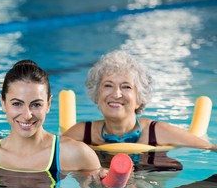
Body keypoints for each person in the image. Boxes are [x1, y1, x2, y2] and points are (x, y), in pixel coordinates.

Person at [63, 50, 215, 151]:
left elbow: (210, 148)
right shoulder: (82, 133)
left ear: (139, 99)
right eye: (108, 85)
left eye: (126, 87)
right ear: (97, 94)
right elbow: (47, 152)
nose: (116, 94)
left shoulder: (158, 132)